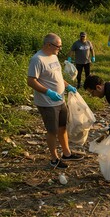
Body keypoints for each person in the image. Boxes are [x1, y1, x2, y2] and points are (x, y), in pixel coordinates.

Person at [27, 33, 84, 169]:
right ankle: (54, 159)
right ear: (48, 45)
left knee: (62, 127)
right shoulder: (37, 59)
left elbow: (57, 76)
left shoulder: (54, 56)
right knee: (52, 131)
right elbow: (31, 81)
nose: (60, 48)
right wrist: (48, 92)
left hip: (60, 100)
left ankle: (67, 153)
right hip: (47, 102)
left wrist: (67, 85)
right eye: (58, 46)